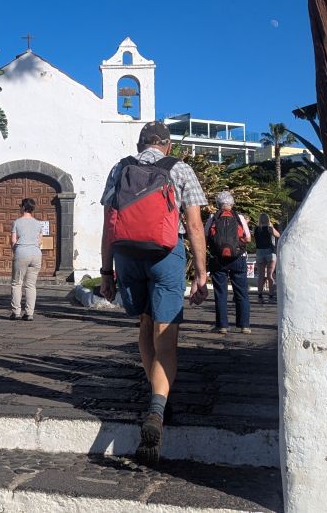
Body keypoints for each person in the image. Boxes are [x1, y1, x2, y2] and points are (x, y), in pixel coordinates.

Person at [100, 121, 208, 465]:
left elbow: (109, 223)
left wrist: (106, 271)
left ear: (140, 143)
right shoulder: (181, 169)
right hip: (166, 254)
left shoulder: (121, 168)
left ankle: (157, 396)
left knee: (145, 325)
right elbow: (192, 225)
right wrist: (202, 274)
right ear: (168, 145)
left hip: (127, 255)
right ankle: (157, 410)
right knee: (167, 333)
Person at [207, 191, 252, 335]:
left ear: (218, 204)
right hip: (238, 258)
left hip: (218, 259)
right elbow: (248, 238)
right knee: (242, 292)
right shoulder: (239, 217)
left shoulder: (213, 218)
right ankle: (244, 326)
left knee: (220, 292)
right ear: (232, 204)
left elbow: (204, 235)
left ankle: (222, 325)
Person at [9, 198, 44, 321]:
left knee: (17, 283)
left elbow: (13, 240)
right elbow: (40, 241)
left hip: (22, 252)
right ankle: (29, 313)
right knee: (30, 285)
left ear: (23, 207)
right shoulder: (38, 224)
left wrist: (16, 251)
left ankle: (16, 312)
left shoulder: (17, 222)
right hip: (36, 253)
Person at [253, 213, 281, 303]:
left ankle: (260, 296)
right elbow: (278, 235)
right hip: (269, 251)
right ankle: (271, 295)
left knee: (261, 275)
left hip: (259, 252)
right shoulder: (269, 228)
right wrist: (271, 226)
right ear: (268, 220)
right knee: (270, 274)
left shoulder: (256, 229)